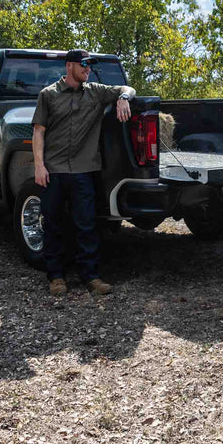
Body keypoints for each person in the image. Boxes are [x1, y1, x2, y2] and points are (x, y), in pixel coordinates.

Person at [32, 48, 136, 296]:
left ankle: (91, 277)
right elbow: (38, 132)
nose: (88, 69)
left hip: (83, 172)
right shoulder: (48, 95)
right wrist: (39, 166)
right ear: (70, 66)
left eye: (90, 66)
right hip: (53, 171)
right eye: (84, 65)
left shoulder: (96, 93)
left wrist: (124, 99)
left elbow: (127, 88)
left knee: (87, 226)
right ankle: (56, 277)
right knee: (53, 225)